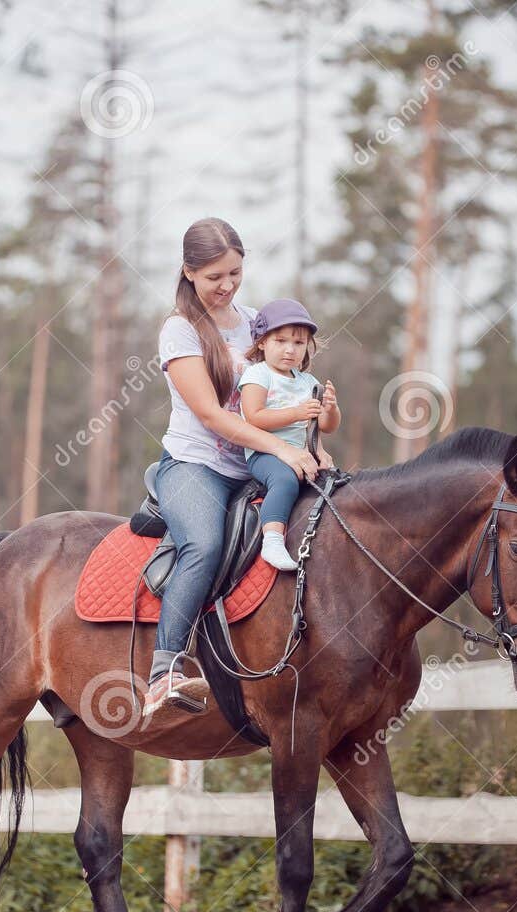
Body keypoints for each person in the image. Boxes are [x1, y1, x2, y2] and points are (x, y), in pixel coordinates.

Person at [143, 219, 322, 722]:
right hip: (197, 465)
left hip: (253, 461)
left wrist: (308, 439)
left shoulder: (253, 321)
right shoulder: (179, 330)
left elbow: (284, 388)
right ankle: (164, 671)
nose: (226, 286)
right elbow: (212, 415)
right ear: (188, 272)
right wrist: (280, 450)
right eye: (214, 277)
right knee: (204, 545)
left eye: (235, 273)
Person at [238, 299, 339, 570]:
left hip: (304, 452)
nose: (289, 350)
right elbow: (254, 416)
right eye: (280, 341)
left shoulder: (308, 382)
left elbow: (327, 426)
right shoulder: (258, 375)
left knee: (336, 484)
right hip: (266, 454)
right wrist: (296, 412)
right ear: (262, 342)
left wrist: (331, 408)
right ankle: (272, 539)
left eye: (298, 343)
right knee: (285, 480)